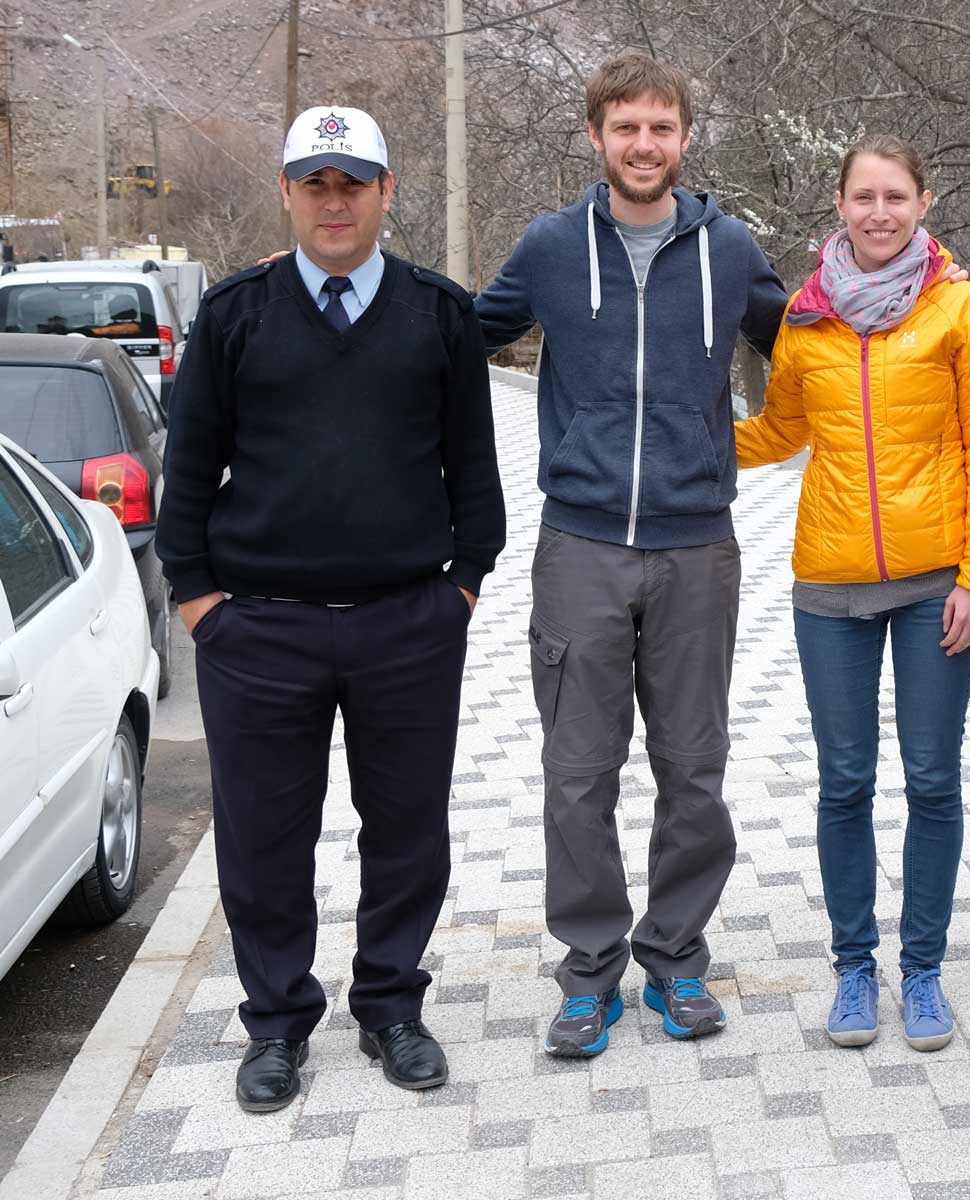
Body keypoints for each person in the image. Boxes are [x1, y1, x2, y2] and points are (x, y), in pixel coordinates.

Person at [155, 105, 505, 1112]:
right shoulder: (234, 316)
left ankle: (392, 1005)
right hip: (257, 627)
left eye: (354, 182)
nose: (335, 200)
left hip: (408, 622)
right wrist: (200, 603)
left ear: (386, 192)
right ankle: (276, 1025)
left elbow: (476, 474)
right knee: (266, 837)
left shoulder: (439, 315)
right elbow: (187, 475)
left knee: (406, 831)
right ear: (287, 191)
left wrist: (460, 589)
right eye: (316, 182)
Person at [476, 55, 791, 1056]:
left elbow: (816, 344)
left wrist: (917, 290)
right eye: (626, 128)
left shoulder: (732, 250)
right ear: (597, 137)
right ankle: (589, 974)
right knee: (577, 775)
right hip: (580, 547)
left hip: (698, 546)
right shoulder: (551, 248)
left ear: (684, 137)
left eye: (661, 127)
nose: (644, 145)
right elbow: (454, 335)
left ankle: (677, 961)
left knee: (693, 771)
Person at [733, 136, 970, 1052]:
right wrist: (676, 438)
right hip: (830, 586)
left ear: (924, 201)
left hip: (938, 585)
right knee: (844, 781)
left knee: (933, 780)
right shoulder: (806, 318)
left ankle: (923, 972)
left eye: (896, 195)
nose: (880, 211)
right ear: (841, 203)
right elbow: (778, 430)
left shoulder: (958, 308)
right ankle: (855, 968)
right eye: (864, 196)